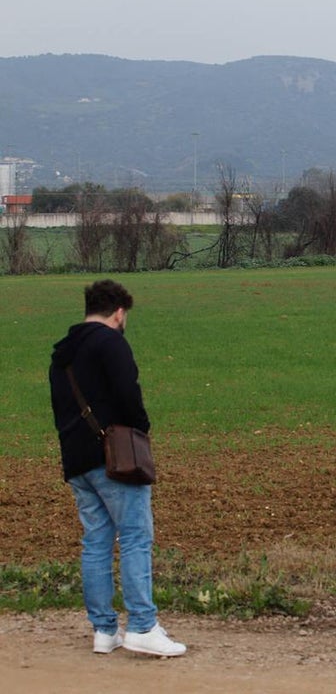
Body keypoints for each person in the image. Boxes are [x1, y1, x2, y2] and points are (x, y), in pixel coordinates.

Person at [48, 279, 186, 658]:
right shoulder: (110, 343)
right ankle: (142, 625)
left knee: (95, 542)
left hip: (76, 460)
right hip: (114, 459)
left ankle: (104, 631)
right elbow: (129, 395)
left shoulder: (62, 354)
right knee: (136, 537)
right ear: (119, 312)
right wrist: (141, 429)